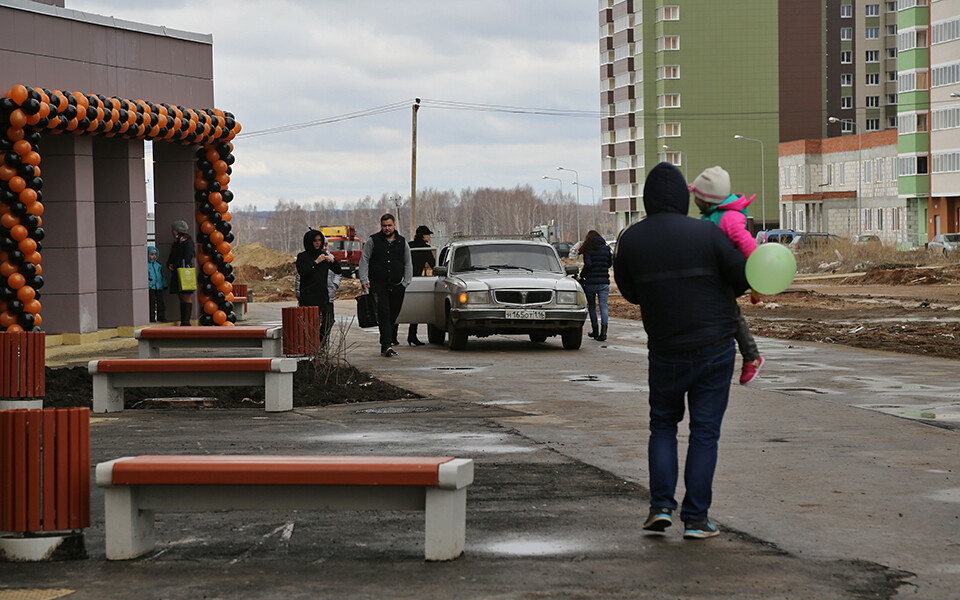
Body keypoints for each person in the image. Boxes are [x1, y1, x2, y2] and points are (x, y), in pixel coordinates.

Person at [613, 162, 748, 540]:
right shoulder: (706, 233)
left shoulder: (631, 239)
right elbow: (740, 277)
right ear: (681, 198)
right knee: (704, 433)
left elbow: (630, 292)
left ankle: (660, 507)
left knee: (662, 426)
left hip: (665, 348)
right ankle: (696, 519)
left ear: (647, 198)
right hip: (714, 347)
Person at [689, 166, 765, 385]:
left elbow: (748, 245)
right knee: (726, 313)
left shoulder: (728, 218)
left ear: (706, 198)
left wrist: (756, 281)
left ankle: (752, 356)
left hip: (725, 277)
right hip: (712, 276)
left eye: (697, 196)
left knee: (733, 315)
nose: (694, 199)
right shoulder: (711, 217)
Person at [358, 214, 412, 357]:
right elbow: (364, 260)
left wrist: (406, 282)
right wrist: (364, 281)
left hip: (397, 285)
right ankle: (386, 344)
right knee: (384, 313)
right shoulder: (373, 241)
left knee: (393, 314)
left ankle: (386, 342)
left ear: (394, 225)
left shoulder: (402, 242)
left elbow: (408, 263)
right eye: (384, 226)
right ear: (381, 226)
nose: (387, 228)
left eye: (389, 225)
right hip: (378, 285)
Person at [296, 230, 342, 342]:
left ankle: (320, 344)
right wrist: (316, 262)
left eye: (319, 240)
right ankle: (310, 347)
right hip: (308, 296)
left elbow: (338, 270)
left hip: (323, 296)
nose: (317, 243)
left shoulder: (324, 256)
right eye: (315, 241)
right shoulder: (303, 257)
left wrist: (333, 261)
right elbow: (303, 272)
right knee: (310, 325)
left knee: (328, 321)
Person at [577, 230, 612, 342]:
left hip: (591, 283)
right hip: (604, 283)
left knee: (592, 307)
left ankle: (595, 331)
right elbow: (609, 263)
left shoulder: (588, 249)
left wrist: (582, 276)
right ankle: (604, 333)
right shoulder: (606, 249)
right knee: (603, 307)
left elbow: (588, 264)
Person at [407, 225, 435, 346]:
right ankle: (412, 336)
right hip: (417, 280)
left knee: (399, 307)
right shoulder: (425, 248)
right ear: (423, 236)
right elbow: (433, 265)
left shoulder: (408, 246)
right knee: (415, 310)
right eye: (428, 234)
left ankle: (393, 336)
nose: (429, 236)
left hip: (403, 279)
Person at [165, 220, 195, 326]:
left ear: (177, 231)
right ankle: (184, 320)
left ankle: (186, 321)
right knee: (180, 295)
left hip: (184, 273)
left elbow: (188, 257)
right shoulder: (176, 243)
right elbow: (172, 255)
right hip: (177, 272)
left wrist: (176, 264)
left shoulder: (188, 242)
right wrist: (169, 263)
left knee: (186, 295)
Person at [147, 246, 166, 322]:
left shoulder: (158, 265)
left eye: (155, 254)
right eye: (152, 254)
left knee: (160, 303)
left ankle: (161, 316)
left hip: (158, 287)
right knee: (151, 303)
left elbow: (162, 275)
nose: (154, 256)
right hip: (151, 287)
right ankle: (151, 317)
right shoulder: (146, 265)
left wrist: (164, 284)